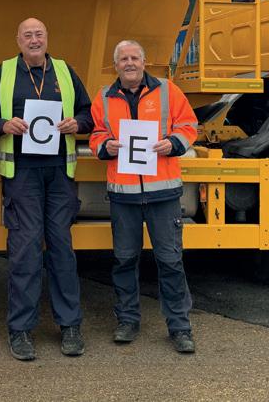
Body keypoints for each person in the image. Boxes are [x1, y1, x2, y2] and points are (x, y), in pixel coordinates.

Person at [0, 17, 93, 361]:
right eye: (27, 35)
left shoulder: (65, 71)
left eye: (38, 34)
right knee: (25, 250)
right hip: (22, 173)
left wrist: (77, 123)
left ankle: (70, 326)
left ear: (47, 38)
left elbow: (88, 114)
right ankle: (20, 329)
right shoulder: (3, 72)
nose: (33, 39)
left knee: (62, 249)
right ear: (18, 41)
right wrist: (3, 125)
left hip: (59, 173)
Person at [89, 40, 198, 353]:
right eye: (123, 59)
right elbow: (96, 134)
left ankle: (180, 327)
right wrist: (105, 146)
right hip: (124, 197)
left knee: (170, 260)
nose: (129, 63)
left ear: (144, 61)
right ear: (116, 65)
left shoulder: (168, 91)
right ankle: (127, 320)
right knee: (124, 260)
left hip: (163, 194)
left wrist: (173, 143)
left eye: (134, 57)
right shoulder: (104, 97)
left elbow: (189, 125)